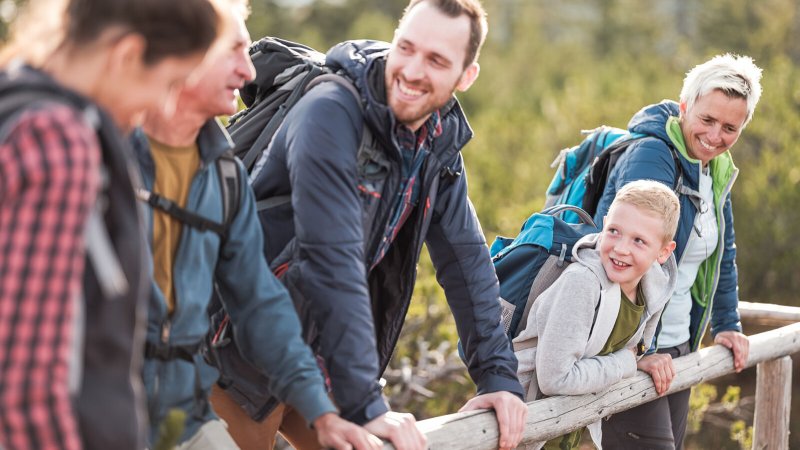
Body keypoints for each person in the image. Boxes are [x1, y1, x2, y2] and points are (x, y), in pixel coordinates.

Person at [216, 1, 528, 449]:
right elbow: (331, 259)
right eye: (407, 48)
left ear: (465, 76)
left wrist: (497, 376)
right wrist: (366, 405)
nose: (413, 70)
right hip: (238, 350)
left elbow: (466, 260)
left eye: (437, 61)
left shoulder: (436, 142)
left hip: (320, 356)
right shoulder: (329, 111)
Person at [131, 2, 382, 449]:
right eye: (233, 51)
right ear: (185, 51)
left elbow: (259, 305)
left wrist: (321, 411)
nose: (248, 72)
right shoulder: (102, 147)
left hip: (178, 412)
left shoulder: (224, 174)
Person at [0, 0, 219, 449]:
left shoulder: (15, 106)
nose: (164, 103)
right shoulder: (59, 139)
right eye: (171, 82)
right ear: (127, 54)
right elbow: (24, 381)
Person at [594, 54, 763, 449]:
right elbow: (623, 255)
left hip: (677, 347)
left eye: (730, 128)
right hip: (632, 351)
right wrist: (638, 351)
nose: (715, 136)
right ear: (684, 106)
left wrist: (727, 324)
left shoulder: (715, 168)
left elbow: (723, 251)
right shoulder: (652, 156)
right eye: (706, 120)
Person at [513, 180, 679, 449]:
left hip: (564, 430)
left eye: (639, 240)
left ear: (663, 252)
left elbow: (635, 350)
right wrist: (627, 363)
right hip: (520, 424)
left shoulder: (654, 286)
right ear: (603, 224)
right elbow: (556, 378)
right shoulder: (582, 282)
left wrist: (637, 359)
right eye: (614, 231)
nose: (621, 248)